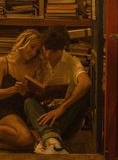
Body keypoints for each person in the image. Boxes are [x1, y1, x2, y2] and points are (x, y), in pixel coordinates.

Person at [24, 25, 91, 154]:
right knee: (28, 102)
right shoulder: (38, 59)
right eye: (46, 49)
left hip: (62, 118)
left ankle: (47, 140)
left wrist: (62, 108)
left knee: (82, 97)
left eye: (53, 51)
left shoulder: (72, 62)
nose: (48, 54)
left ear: (62, 49)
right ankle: (54, 142)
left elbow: (86, 83)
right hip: (43, 114)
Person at [0, 29, 42, 151]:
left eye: (37, 50)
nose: (34, 53)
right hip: (3, 110)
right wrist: (13, 90)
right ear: (23, 42)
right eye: (32, 47)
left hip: (21, 112)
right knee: (26, 139)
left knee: (33, 144)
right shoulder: (2, 62)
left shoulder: (34, 67)